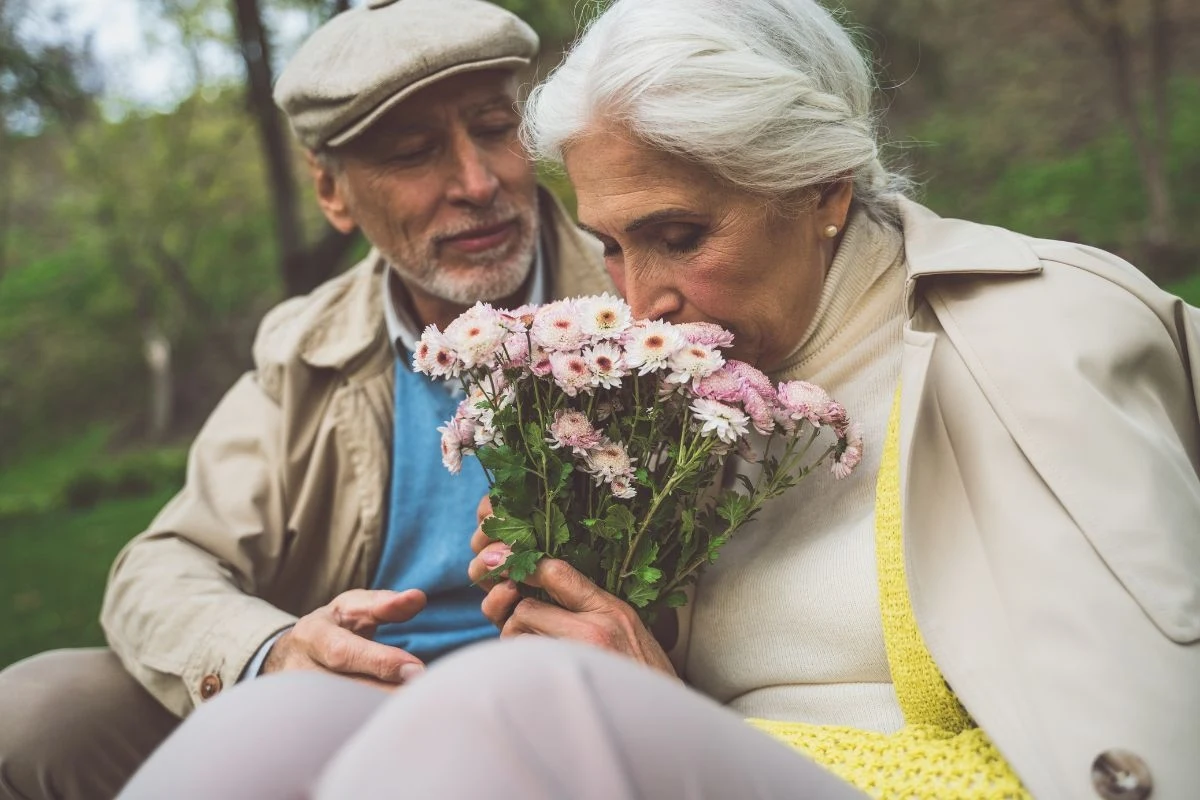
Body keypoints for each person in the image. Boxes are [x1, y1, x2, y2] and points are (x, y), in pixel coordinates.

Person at [111, 0, 1200, 798]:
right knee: (287, 715)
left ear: (824, 186)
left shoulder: (1033, 335)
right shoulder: (694, 371)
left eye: (680, 236)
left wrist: (647, 710)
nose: (639, 299)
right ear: (333, 192)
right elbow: (165, 562)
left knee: (512, 702)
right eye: (610, 246)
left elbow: (1127, 756)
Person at [0, 0, 611, 798]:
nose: (478, 181)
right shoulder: (306, 349)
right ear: (332, 191)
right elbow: (163, 564)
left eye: (495, 128)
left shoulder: (636, 297)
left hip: (575, 715)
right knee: (37, 714)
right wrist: (276, 654)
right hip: (356, 713)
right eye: (415, 152)